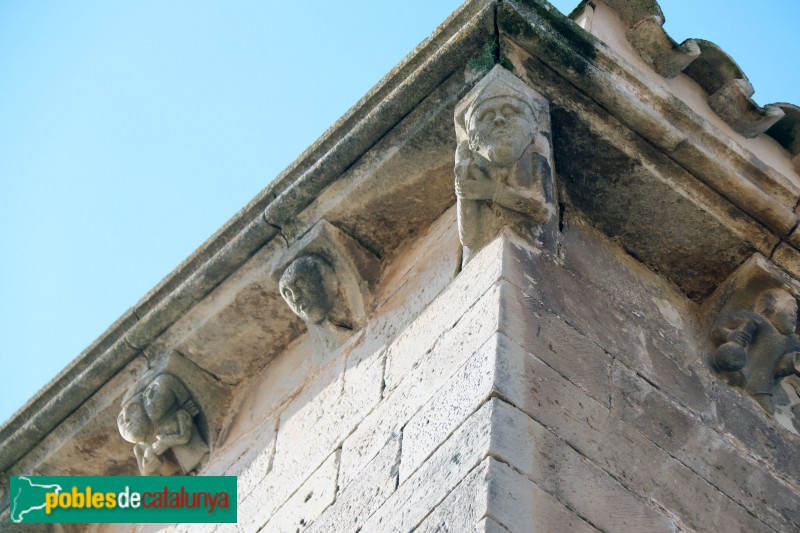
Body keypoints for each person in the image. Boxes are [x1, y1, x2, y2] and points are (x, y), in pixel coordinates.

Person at [713, 287, 800, 413]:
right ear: (771, 307)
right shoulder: (757, 320)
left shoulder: (792, 342)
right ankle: (732, 374)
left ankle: (757, 391)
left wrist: (792, 363)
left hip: (762, 387)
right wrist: (728, 334)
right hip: (739, 367)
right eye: (790, 306)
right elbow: (719, 324)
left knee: (768, 410)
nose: (794, 314)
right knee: (730, 357)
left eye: (796, 311)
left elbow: (781, 366)